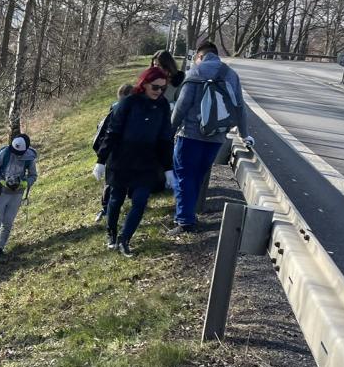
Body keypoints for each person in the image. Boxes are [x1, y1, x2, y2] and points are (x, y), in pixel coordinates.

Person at [168, 42, 253, 235]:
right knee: (198, 176)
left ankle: (184, 220)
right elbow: (240, 107)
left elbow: (182, 105)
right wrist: (244, 134)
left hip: (190, 135)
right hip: (216, 137)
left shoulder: (196, 72)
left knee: (184, 176)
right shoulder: (231, 74)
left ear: (199, 56)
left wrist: (170, 131)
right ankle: (189, 215)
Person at [93, 67, 175, 256]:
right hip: (122, 159)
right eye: (155, 87)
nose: (159, 92)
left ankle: (125, 239)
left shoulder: (162, 106)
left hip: (147, 162)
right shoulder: (128, 103)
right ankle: (111, 233)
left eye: (163, 88)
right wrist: (101, 160)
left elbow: (165, 138)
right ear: (144, 84)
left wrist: (168, 168)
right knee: (116, 199)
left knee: (140, 201)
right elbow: (113, 132)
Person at [0, 135, 38, 259]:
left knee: (8, 222)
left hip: (17, 195)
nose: (17, 155)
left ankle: (0, 248)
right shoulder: (5, 153)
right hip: (1, 193)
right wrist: (2, 181)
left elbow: (33, 175)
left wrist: (24, 183)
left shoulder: (30, 157)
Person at [93, 83, 135, 222]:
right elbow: (107, 135)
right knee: (111, 182)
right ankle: (106, 208)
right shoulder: (116, 111)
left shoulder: (135, 111)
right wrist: (102, 159)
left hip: (126, 152)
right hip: (114, 153)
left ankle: (111, 206)